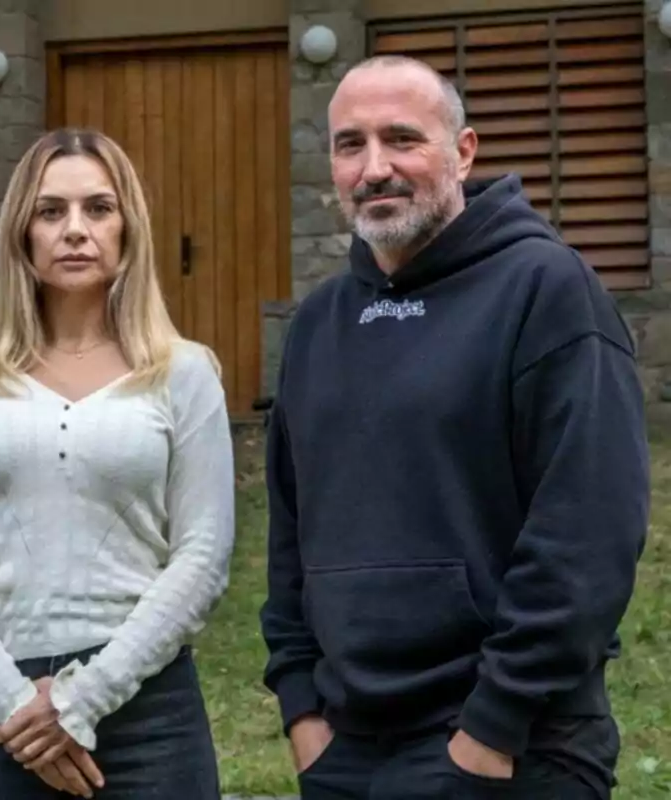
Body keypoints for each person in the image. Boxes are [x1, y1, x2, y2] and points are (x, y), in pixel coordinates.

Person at [260, 54, 649, 800]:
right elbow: (289, 531)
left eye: (402, 138)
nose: (375, 168)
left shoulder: (547, 291)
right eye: (350, 145)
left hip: (511, 748)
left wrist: (492, 727)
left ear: (462, 152)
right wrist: (301, 708)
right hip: (344, 745)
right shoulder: (317, 325)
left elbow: (588, 530)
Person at [0, 127, 235, 799]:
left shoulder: (185, 373)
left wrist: (83, 699)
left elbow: (203, 553)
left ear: (128, 229)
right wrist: (12, 701)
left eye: (98, 208)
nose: (75, 230)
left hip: (148, 718)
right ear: (21, 233)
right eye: (51, 211)